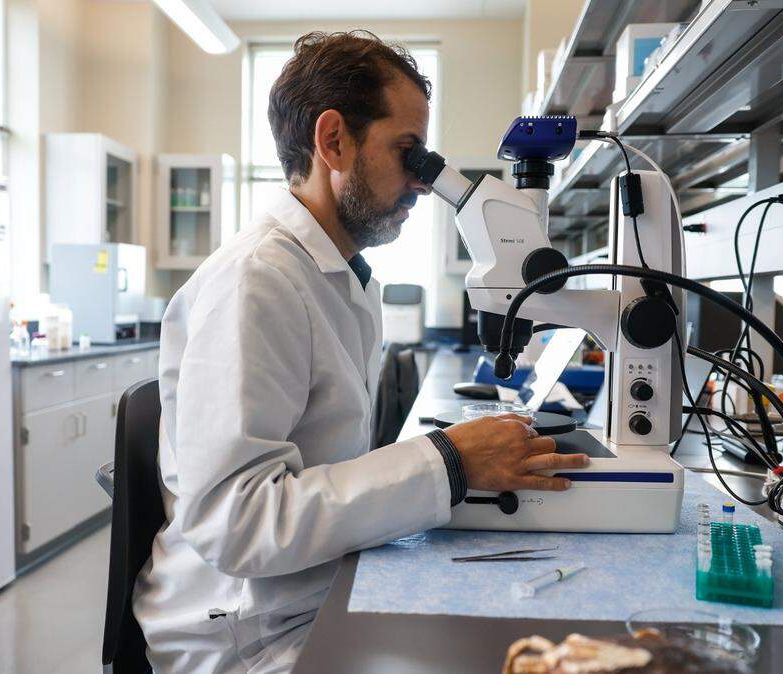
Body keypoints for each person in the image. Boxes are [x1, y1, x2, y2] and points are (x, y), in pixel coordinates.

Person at [134, 30, 590, 673]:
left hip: (304, 588)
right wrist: (449, 462)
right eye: (407, 152)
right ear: (333, 141)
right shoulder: (256, 282)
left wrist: (441, 464)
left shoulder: (334, 274)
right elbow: (236, 522)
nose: (421, 182)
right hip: (246, 631)